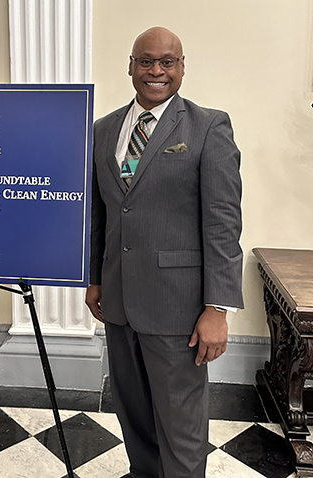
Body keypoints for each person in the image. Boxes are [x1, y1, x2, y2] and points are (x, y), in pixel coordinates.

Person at [85, 26, 243, 478]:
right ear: (131, 66)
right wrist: (96, 278)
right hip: (118, 302)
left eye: (167, 62)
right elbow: (102, 215)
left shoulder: (208, 126)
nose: (156, 71)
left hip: (178, 308)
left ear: (181, 67)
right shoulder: (103, 130)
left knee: (181, 426)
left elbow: (222, 223)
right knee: (134, 416)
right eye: (146, 61)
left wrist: (218, 307)